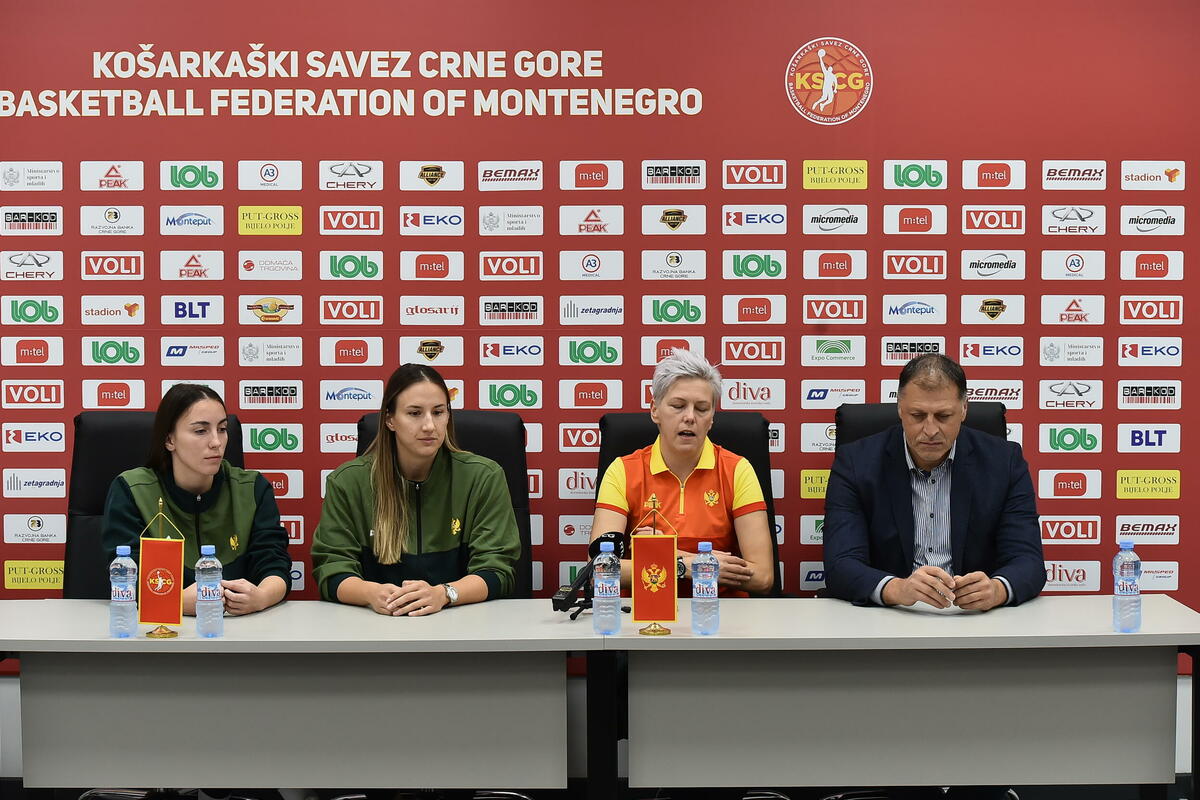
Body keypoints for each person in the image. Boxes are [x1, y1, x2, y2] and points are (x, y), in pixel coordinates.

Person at [824, 352, 1046, 611]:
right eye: (917, 415)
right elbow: (840, 564)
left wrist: (997, 589)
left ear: (964, 410)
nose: (930, 430)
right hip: (892, 614)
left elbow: (1028, 561)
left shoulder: (1004, 462)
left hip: (974, 617)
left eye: (943, 416)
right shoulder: (855, 463)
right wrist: (897, 589)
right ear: (900, 409)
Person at [312, 363, 521, 615]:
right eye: (414, 413)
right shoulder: (347, 482)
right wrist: (371, 593)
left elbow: (498, 570)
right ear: (390, 419)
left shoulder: (483, 477)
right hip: (377, 625)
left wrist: (444, 594)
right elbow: (331, 569)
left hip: (463, 624)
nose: (429, 425)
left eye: (438, 412)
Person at [591, 348, 774, 596]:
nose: (689, 417)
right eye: (678, 406)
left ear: (711, 418)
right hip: (644, 611)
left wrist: (665, 553)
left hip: (720, 611)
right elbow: (599, 569)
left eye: (702, 409)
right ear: (655, 410)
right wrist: (687, 565)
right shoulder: (622, 470)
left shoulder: (737, 470)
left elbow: (763, 576)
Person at [101, 383, 290, 616]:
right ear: (169, 440)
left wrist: (262, 597)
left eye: (222, 429)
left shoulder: (252, 488)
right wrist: (175, 601)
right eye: (201, 431)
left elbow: (274, 563)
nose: (216, 442)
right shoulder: (132, 490)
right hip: (156, 628)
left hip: (240, 626)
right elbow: (126, 574)